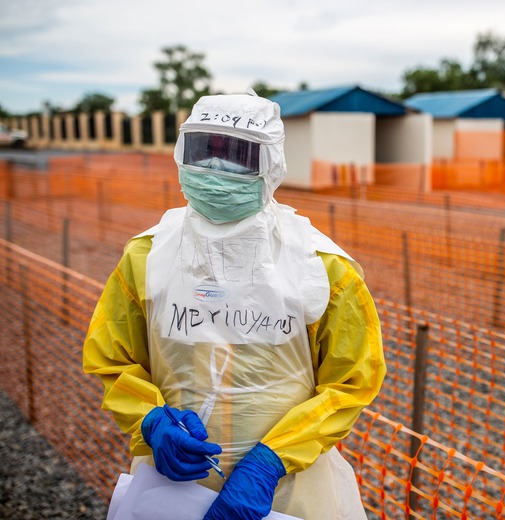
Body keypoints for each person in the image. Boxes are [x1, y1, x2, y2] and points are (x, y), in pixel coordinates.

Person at [83, 90, 386, 519]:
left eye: (238, 155)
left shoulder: (321, 267)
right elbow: (112, 359)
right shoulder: (147, 256)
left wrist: (272, 461)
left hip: (288, 493)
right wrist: (151, 422)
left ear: (271, 164)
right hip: (172, 490)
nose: (216, 168)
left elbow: (352, 380)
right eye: (205, 150)